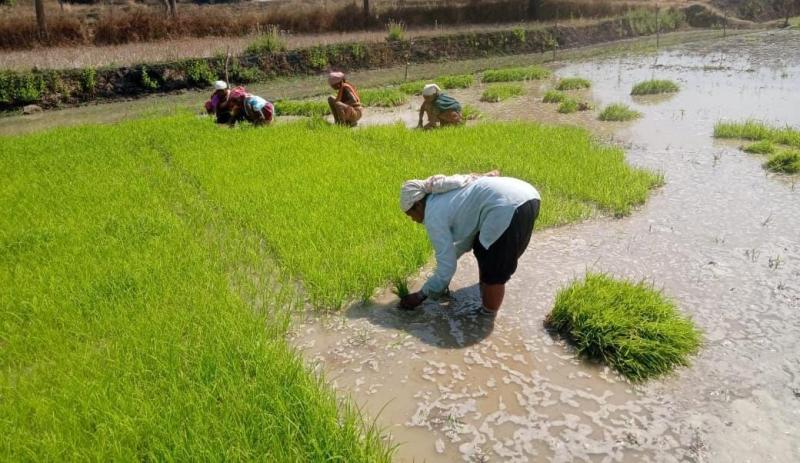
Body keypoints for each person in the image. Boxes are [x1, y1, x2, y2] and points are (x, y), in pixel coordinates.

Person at [399, 172, 540, 316]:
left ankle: (486, 317)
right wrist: (439, 278)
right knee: (481, 247)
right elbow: (466, 242)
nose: (412, 219)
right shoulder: (444, 196)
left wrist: (421, 295)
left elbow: (447, 267)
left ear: (418, 205)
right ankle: (485, 291)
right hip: (529, 196)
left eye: (410, 214)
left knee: (494, 270)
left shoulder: (432, 214)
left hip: (507, 207)